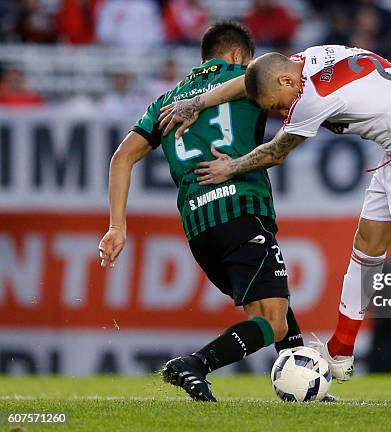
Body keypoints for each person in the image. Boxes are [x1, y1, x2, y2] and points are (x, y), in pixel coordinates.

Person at [158, 45, 391, 405]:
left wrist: (231, 167)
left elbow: (277, 151)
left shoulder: (313, 96)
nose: (279, 111)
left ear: (287, 81)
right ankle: (340, 351)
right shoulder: (305, 62)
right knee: (367, 243)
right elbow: (250, 80)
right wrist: (201, 102)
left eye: (277, 104)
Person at [97, 21, 305, 402]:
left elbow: (121, 157)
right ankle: (195, 364)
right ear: (240, 56)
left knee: (271, 303)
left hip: (199, 227)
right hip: (240, 207)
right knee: (273, 321)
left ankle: (304, 387)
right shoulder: (248, 76)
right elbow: (285, 86)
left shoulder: (166, 101)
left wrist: (117, 225)